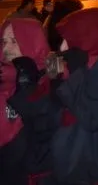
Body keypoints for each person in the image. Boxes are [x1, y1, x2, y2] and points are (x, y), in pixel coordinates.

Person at [52, 7, 98, 184]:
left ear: (87, 38)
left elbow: (93, 117)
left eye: (69, 39)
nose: (63, 46)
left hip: (97, 166)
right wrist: (55, 81)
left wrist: (75, 74)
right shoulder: (79, 68)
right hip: (73, 164)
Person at [1, 18, 57, 184]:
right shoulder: (4, 79)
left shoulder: (52, 81)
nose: (6, 48)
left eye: (14, 41)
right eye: (3, 41)